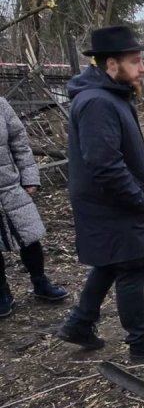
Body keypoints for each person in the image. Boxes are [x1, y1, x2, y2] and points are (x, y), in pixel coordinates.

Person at [56, 25, 144, 359]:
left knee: (110, 263)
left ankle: (80, 322)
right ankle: (141, 343)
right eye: (135, 61)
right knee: (131, 268)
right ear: (110, 64)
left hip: (110, 203)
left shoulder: (108, 96)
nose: (143, 68)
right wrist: (137, 197)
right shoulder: (97, 103)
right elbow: (103, 162)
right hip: (114, 204)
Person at [0, 97, 68, 317]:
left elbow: (19, 142)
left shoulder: (0, 105)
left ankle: (40, 282)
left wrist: (30, 178)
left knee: (29, 237)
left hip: (10, 186)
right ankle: (2, 294)